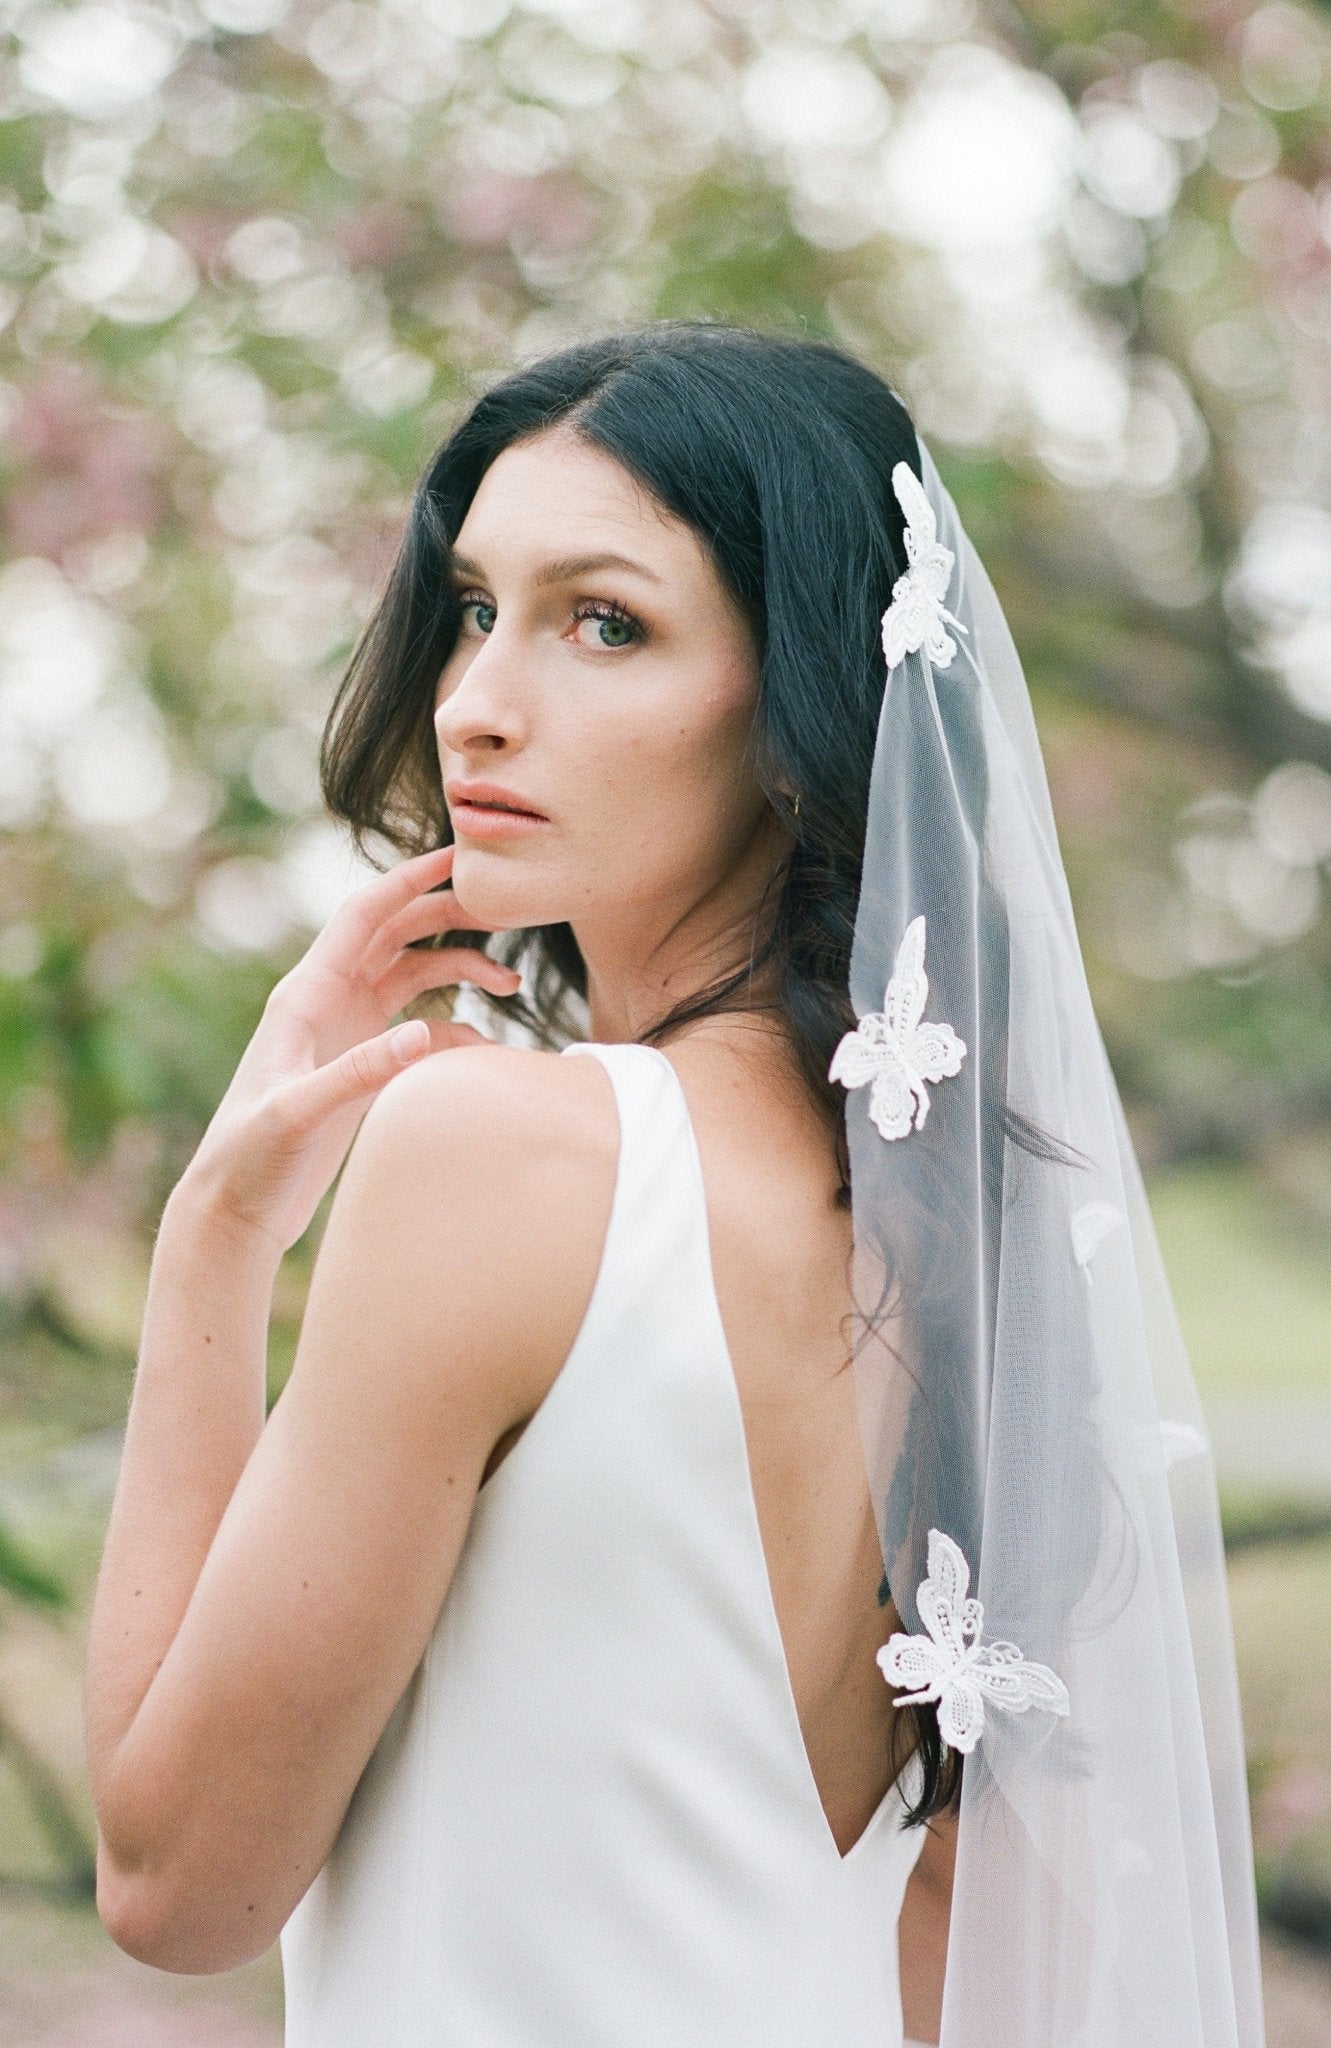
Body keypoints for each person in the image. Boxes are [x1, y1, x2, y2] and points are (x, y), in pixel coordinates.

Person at [83, 324, 1262, 2048]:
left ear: (797, 710)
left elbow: (176, 1887)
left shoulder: (500, 1153)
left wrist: (218, 1235)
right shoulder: (972, 1237)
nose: (477, 698)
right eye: (476, 606)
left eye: (606, 622)